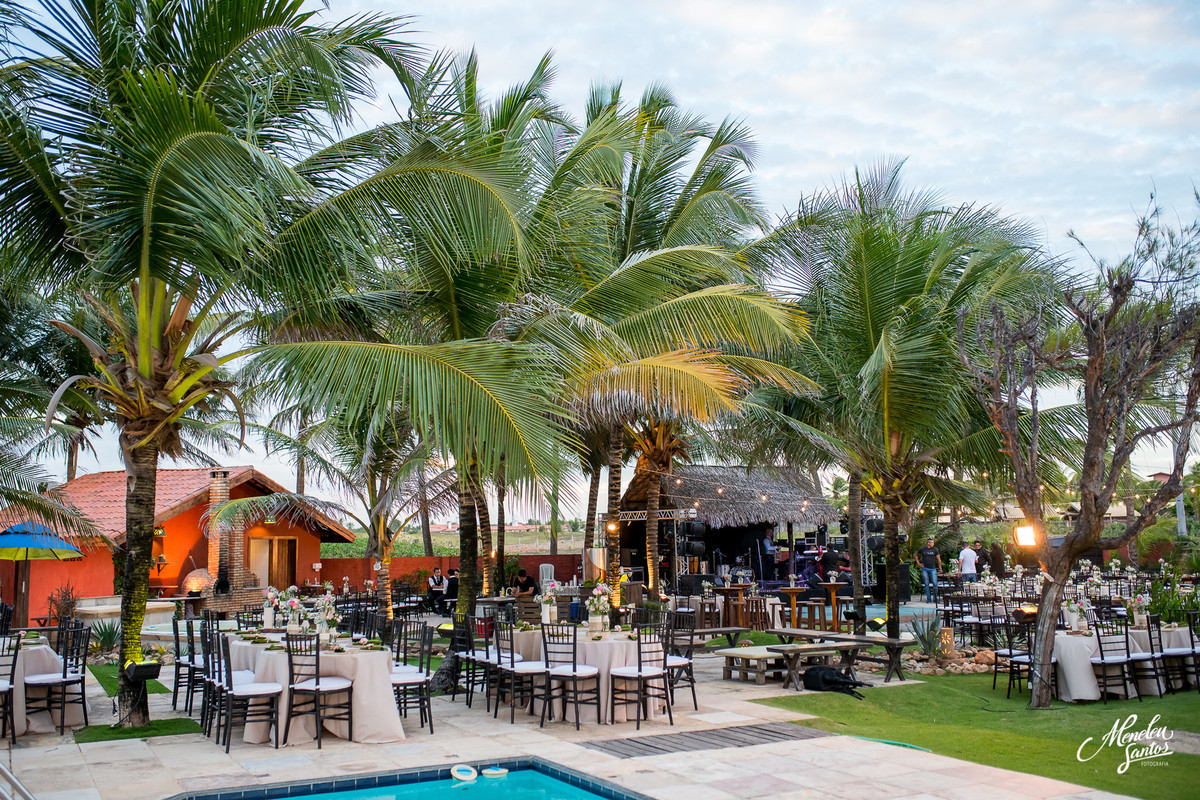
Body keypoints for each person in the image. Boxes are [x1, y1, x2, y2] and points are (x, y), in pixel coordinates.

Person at [914, 538, 942, 602]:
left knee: (935, 583)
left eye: (933, 542)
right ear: (928, 543)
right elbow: (915, 554)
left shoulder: (935, 549)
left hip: (932, 568)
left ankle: (935, 598)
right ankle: (928, 599)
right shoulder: (923, 549)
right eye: (932, 542)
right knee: (926, 584)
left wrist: (940, 568)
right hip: (925, 568)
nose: (933, 544)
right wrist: (918, 563)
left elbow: (938, 559)